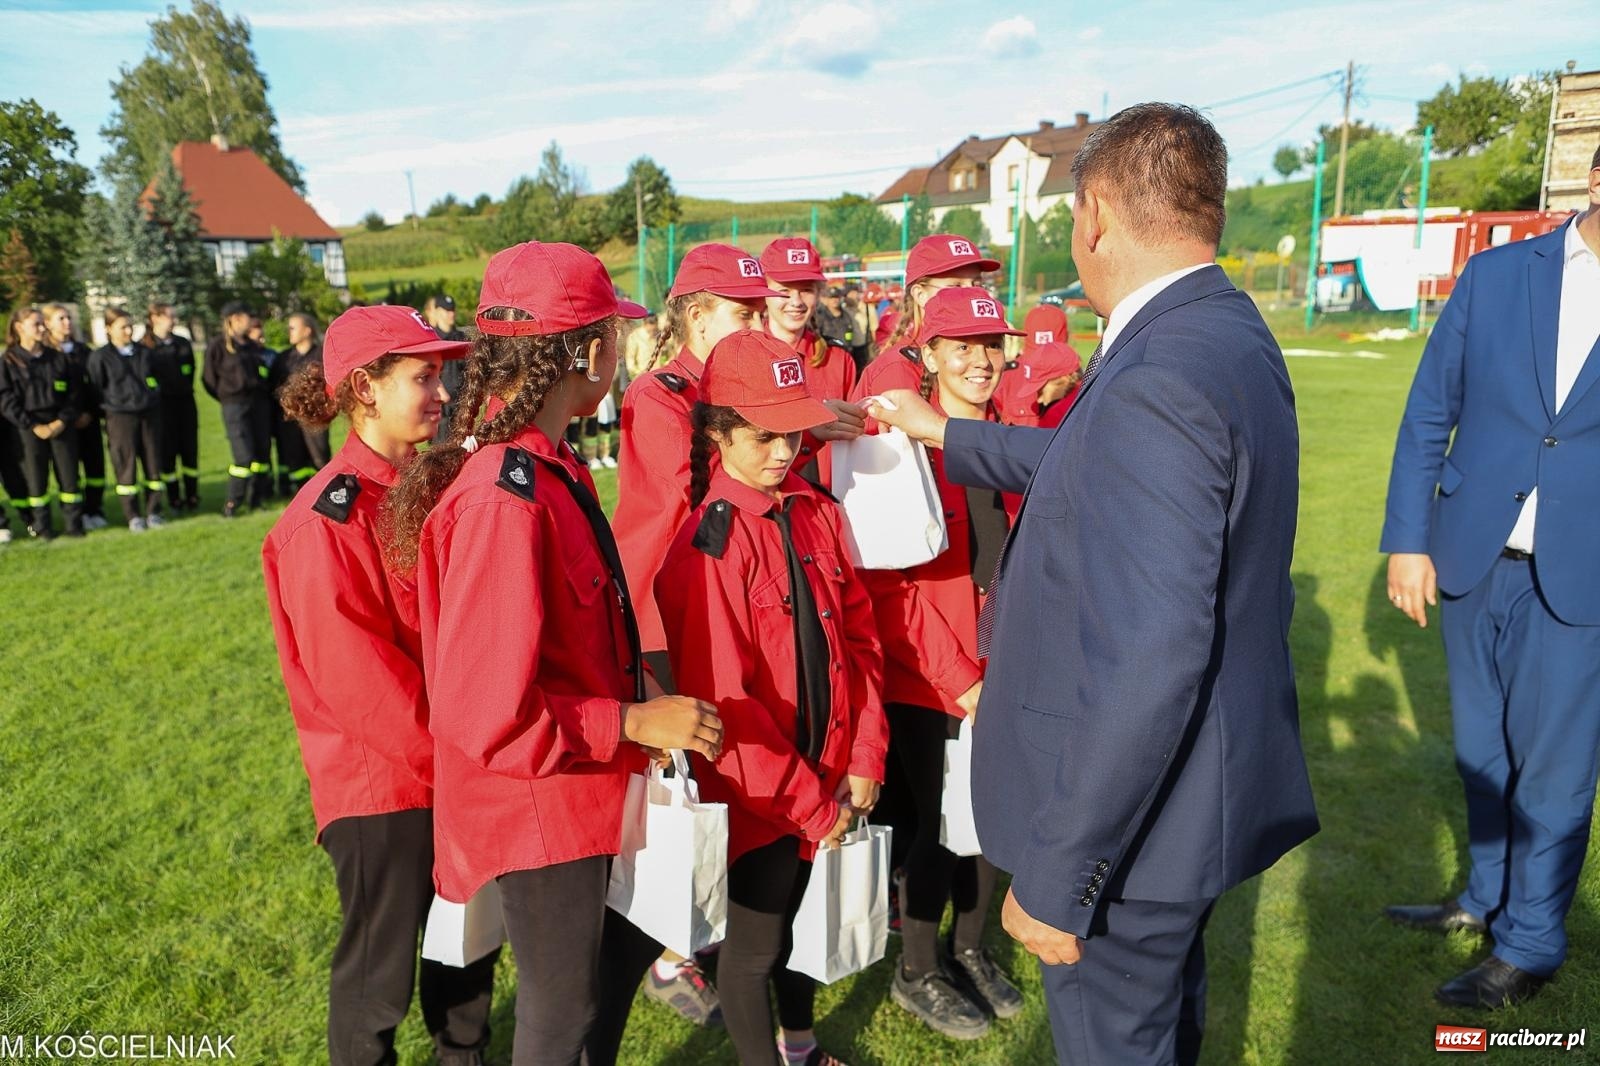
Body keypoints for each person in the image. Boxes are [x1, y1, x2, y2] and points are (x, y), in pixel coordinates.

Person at [867, 103, 1318, 1066]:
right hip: (1189, 801)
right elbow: (1092, 461)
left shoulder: (1158, 369)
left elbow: (1150, 654)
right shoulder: (1221, 330)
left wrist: (1063, 870)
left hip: (1134, 831)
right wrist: (946, 431)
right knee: (1161, 1027)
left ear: (1097, 215)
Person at [378, 240, 724, 1066]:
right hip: (540, 800)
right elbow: (485, 711)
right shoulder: (505, 498)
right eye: (612, 335)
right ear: (588, 353)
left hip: (573, 785)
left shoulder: (549, 464)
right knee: (562, 1011)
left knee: (595, 984)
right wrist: (630, 722)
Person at [1380, 143, 1600, 1009]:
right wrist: (1408, 540)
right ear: (1596, 178)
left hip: (1582, 578)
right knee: (1480, 749)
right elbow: (1429, 409)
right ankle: (1484, 897)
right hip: (1470, 556)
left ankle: (1531, 942)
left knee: (1554, 770)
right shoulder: (1499, 273)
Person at [263, 305, 498, 1066]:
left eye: (441, 375)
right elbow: (362, 686)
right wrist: (459, 761)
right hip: (386, 787)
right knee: (379, 979)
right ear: (365, 388)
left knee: (466, 954)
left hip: (455, 766)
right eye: (423, 377)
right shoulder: (325, 522)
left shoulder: (428, 487)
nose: (442, 393)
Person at [655, 328, 888, 1066]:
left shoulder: (815, 510)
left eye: (793, 432)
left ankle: (802, 1045)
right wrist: (809, 808)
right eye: (763, 436)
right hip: (761, 799)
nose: (784, 452)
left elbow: (860, 639)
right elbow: (724, 710)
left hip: (829, 772)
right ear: (717, 434)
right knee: (754, 951)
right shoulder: (710, 549)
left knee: (803, 928)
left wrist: (866, 753)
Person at [612, 243, 789, 1022]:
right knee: (689, 778)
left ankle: (703, 933)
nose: (758, 326)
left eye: (759, 312)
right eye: (742, 314)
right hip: (670, 612)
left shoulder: (730, 389)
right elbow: (675, 517)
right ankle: (668, 952)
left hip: (728, 602)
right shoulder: (662, 397)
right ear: (695, 316)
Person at [858, 287, 1021, 1041]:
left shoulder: (1007, 441)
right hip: (934, 682)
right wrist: (962, 681)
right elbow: (890, 593)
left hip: (1004, 668)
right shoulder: (901, 452)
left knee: (995, 820)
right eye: (962, 346)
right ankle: (918, 967)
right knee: (938, 825)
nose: (981, 360)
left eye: (991, 345)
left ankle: (970, 948)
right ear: (928, 354)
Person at [758, 237, 857, 488]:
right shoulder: (743, 359)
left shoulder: (838, 360)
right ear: (763, 292)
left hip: (829, 499)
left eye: (806, 290)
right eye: (784, 291)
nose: (796, 301)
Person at [858, 235, 1000, 398]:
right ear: (920, 295)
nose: (970, 295)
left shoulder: (983, 358)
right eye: (955, 287)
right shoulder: (897, 370)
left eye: (977, 285)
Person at [1, 307, 85, 538]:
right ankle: (43, 527)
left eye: (42, 323)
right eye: (36, 324)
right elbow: (6, 400)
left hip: (60, 426)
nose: (42, 328)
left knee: (69, 478)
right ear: (19, 328)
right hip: (29, 429)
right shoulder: (8, 361)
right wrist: (32, 425)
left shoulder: (58, 358)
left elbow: (74, 394)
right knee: (36, 480)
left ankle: (74, 525)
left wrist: (61, 421)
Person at [87, 307, 166, 531]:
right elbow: (95, 389)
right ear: (109, 329)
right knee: (126, 466)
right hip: (119, 419)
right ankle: (133, 515)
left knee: (153, 465)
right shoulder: (100, 357)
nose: (128, 331)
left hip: (148, 416)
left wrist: (151, 396)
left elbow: (156, 379)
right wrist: (111, 409)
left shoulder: (144, 353)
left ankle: (154, 511)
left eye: (130, 326)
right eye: (123, 327)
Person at [203, 300, 273, 516]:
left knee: (261, 453)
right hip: (234, 406)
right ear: (235, 319)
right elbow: (209, 379)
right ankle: (233, 502)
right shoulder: (217, 346)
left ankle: (257, 498)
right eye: (247, 317)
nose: (251, 321)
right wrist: (227, 396)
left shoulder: (251, 346)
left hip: (258, 404)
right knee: (243, 456)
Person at [42, 303, 107, 529]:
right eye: (61, 319)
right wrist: (64, 418)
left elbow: (95, 385)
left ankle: (94, 509)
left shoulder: (83, 351)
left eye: (68, 318)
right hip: (62, 423)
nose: (67, 322)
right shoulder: (46, 354)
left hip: (88, 420)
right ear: (48, 324)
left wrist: (90, 413)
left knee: (95, 467)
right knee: (68, 473)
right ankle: (74, 515)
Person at [143, 303, 200, 511]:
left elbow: (190, 370)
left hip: (185, 404)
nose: (174, 320)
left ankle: (192, 495)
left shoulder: (182, 344)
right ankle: (174, 497)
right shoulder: (146, 346)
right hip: (162, 407)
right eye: (169, 317)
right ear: (155, 318)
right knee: (167, 453)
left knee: (189, 451)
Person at [271, 312, 330, 496]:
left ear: (307, 330)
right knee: (294, 455)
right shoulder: (283, 358)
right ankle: (301, 491)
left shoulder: (321, 355)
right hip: (291, 417)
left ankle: (325, 490)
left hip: (316, 415)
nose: (289, 331)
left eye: (293, 328)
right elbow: (274, 386)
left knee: (319, 454)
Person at [992, 341, 1082, 431]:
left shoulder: (1056, 415)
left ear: (1066, 378)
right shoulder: (1082, 403)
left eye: (1041, 391)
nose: (1038, 400)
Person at [425, 294, 468, 440]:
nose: (451, 314)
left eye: (452, 310)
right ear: (437, 311)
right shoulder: (431, 339)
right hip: (441, 409)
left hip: (460, 407)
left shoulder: (461, 339)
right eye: (447, 310)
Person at [842, 283, 876, 372]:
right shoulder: (842, 310)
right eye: (849, 294)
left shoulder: (868, 308)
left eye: (854, 293)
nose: (852, 296)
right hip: (849, 349)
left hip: (865, 348)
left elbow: (874, 331)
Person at [623, 312, 663, 381]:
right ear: (644, 324)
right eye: (650, 330)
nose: (653, 333)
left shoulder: (660, 334)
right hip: (642, 376)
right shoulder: (635, 337)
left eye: (654, 330)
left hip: (659, 375)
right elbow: (630, 360)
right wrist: (638, 373)